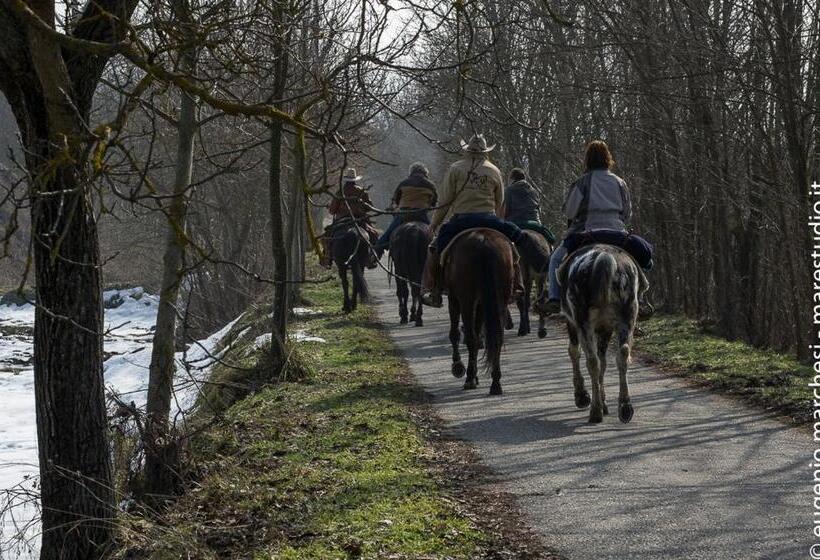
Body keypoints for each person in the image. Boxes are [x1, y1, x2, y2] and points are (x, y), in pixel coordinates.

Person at [421, 134, 550, 308]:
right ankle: (518, 286)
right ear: (485, 151)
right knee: (516, 242)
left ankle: (435, 289)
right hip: (489, 218)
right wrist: (496, 219)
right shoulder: (493, 170)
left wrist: (435, 223)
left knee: (436, 248)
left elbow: (445, 201)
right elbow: (499, 202)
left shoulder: (456, 168)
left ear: (467, 150)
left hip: (462, 219)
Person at [541, 140, 652, 316]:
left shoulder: (582, 183)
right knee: (643, 256)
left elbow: (569, 211)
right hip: (617, 233)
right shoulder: (620, 183)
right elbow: (627, 213)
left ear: (587, 159)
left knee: (555, 260)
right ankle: (641, 298)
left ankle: (554, 299)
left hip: (587, 233)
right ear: (608, 158)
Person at [374, 162, 437, 259]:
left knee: (387, 234)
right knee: (434, 237)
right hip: (421, 215)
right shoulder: (431, 185)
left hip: (403, 214)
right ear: (425, 173)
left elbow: (396, 200)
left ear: (411, 172)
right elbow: (434, 203)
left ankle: (375, 254)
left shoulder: (403, 183)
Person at [320, 168, 380, 269]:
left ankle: (328, 259)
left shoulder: (340, 192)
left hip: (341, 221)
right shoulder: (361, 191)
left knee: (326, 237)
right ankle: (370, 258)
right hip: (359, 220)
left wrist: (331, 207)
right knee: (374, 235)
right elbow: (369, 207)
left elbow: (332, 211)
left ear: (346, 180)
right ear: (355, 180)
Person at [501, 168, 555, 244]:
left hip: (515, 223)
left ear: (512, 179)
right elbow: (538, 210)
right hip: (535, 224)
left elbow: (505, 211)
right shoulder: (534, 191)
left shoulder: (509, 190)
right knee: (551, 240)